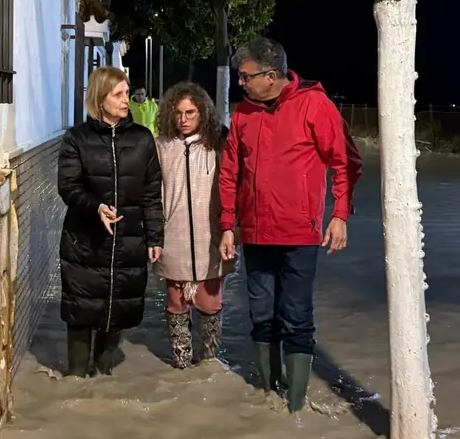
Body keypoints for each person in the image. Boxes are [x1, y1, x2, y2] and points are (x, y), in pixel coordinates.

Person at [218, 37, 363, 412]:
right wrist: (228, 225)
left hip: (299, 235)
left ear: (271, 75)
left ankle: (295, 407)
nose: (240, 82)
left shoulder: (316, 105)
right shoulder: (243, 115)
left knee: (296, 317)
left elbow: (345, 162)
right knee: (261, 315)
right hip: (254, 232)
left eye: (245, 76)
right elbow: (230, 171)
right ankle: (269, 396)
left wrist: (340, 215)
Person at [57, 67, 164, 377]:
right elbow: (68, 187)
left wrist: (155, 237)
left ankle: (103, 377)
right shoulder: (76, 138)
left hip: (129, 240)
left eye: (126, 93)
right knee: (80, 311)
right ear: (99, 97)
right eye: (117, 94)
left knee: (117, 309)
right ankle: (77, 385)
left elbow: (151, 194)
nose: (125, 100)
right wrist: (97, 207)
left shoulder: (142, 139)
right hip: (84, 242)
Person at [154, 82, 233, 369]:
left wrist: (230, 229)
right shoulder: (162, 146)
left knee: (211, 305)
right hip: (173, 237)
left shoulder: (219, 144)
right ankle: (182, 365)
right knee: (176, 304)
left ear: (203, 113)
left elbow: (233, 188)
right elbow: (152, 192)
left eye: (191, 112)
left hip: (210, 239)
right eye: (178, 113)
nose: (183, 119)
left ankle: (209, 364)